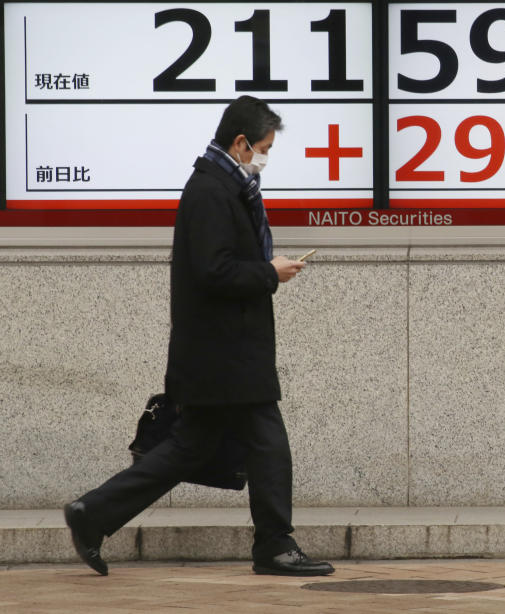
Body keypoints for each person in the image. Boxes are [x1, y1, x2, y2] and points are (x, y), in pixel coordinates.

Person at [64, 96, 333, 577]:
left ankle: (93, 513)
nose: (266, 157)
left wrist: (266, 272)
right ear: (240, 142)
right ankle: (274, 544)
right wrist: (270, 273)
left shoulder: (222, 187)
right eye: (264, 148)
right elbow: (214, 271)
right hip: (224, 353)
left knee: (190, 449)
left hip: (219, 352)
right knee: (268, 441)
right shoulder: (212, 192)